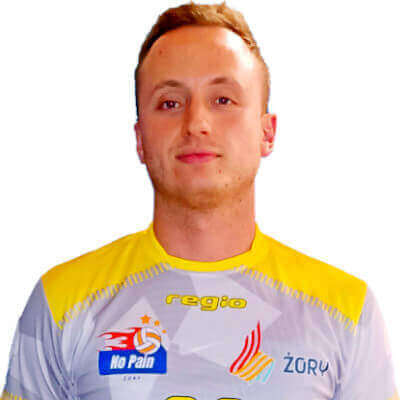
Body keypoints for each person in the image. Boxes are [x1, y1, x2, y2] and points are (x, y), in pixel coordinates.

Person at [1, 1, 398, 399]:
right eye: (170, 103)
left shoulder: (346, 312)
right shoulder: (61, 303)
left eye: (223, 100)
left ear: (267, 133)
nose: (196, 124)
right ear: (140, 139)